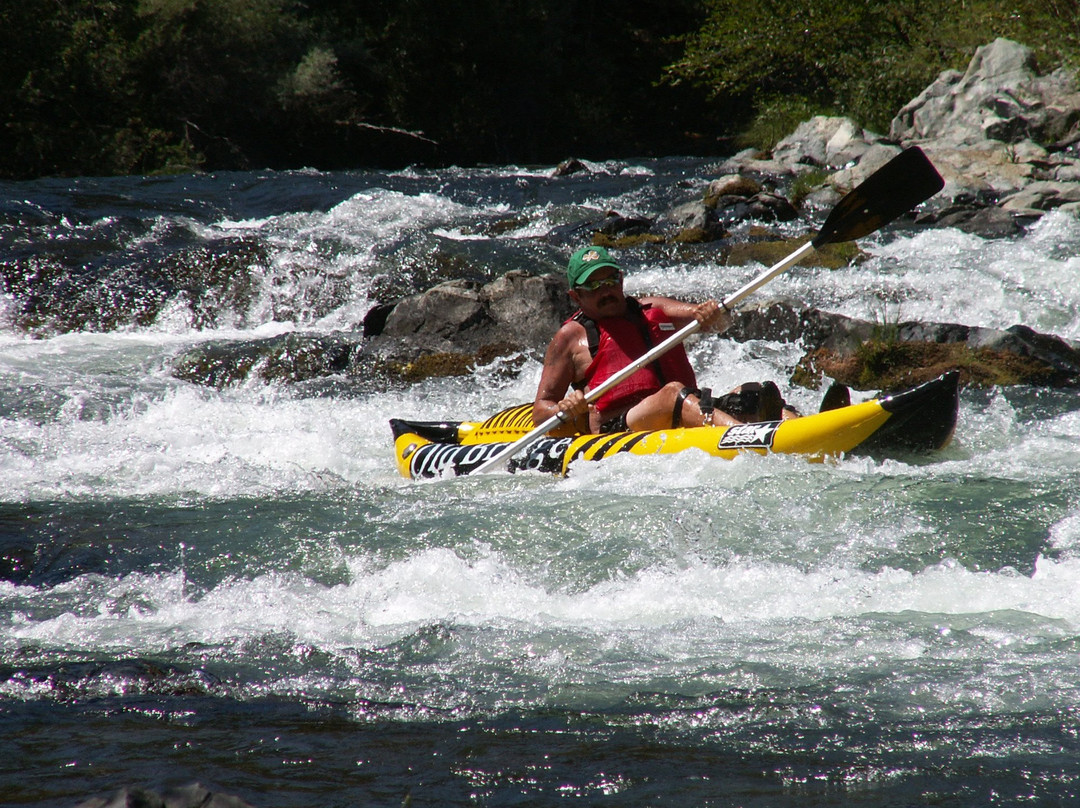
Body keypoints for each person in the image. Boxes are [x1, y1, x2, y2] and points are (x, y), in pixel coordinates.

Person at [533, 245, 792, 435]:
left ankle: (799, 427)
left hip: (684, 405)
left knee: (751, 393)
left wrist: (711, 314)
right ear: (576, 296)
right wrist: (565, 408)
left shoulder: (652, 309)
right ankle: (748, 438)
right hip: (620, 426)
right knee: (671, 394)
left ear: (621, 280)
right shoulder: (569, 337)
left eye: (610, 281)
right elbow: (540, 412)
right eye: (593, 286)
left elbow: (718, 324)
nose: (605, 291)